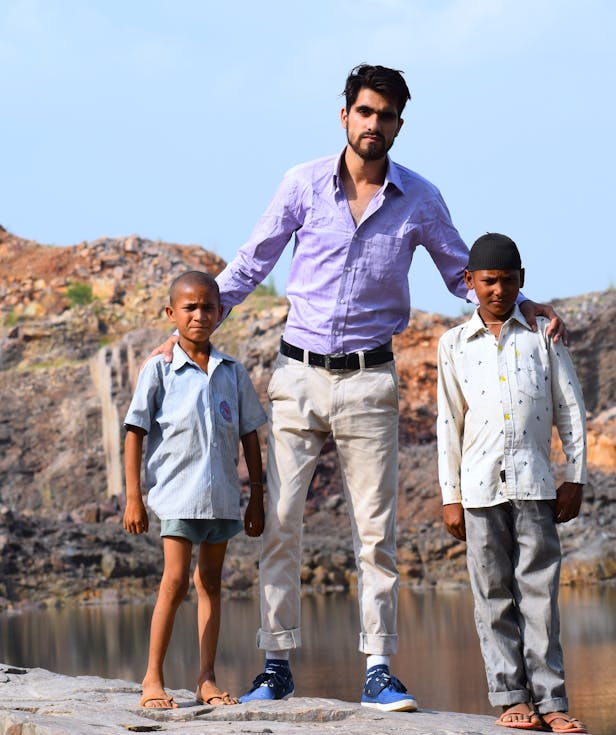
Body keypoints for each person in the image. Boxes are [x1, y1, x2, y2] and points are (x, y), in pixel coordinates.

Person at [153, 64, 566, 711]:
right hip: (296, 377)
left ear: (400, 124)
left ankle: (378, 668)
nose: (374, 124)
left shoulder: (420, 198)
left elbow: (464, 272)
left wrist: (524, 303)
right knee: (282, 524)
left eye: (387, 116)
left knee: (376, 531)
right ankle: (276, 663)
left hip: (371, 379)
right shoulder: (301, 184)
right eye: (365, 112)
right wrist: (187, 336)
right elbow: (251, 261)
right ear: (344, 115)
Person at [436, 233, 588, 732]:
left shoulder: (544, 335)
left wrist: (576, 477)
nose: (497, 290)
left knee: (540, 595)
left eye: (506, 281)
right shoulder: (454, 345)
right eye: (488, 281)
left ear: (521, 281)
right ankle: (510, 699)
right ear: (470, 283)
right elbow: (448, 424)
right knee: (493, 597)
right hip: (478, 491)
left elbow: (570, 410)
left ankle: (553, 701)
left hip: (536, 486)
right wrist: (450, 498)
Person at [123, 271, 267, 709]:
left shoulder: (233, 373)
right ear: (172, 313)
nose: (200, 315)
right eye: (189, 308)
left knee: (211, 584)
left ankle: (206, 679)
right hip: (178, 495)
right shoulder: (160, 368)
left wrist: (256, 495)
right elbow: (134, 431)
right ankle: (152, 679)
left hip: (222, 497)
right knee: (173, 582)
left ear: (221, 313)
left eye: (208, 307)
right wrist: (134, 497)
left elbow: (249, 436)